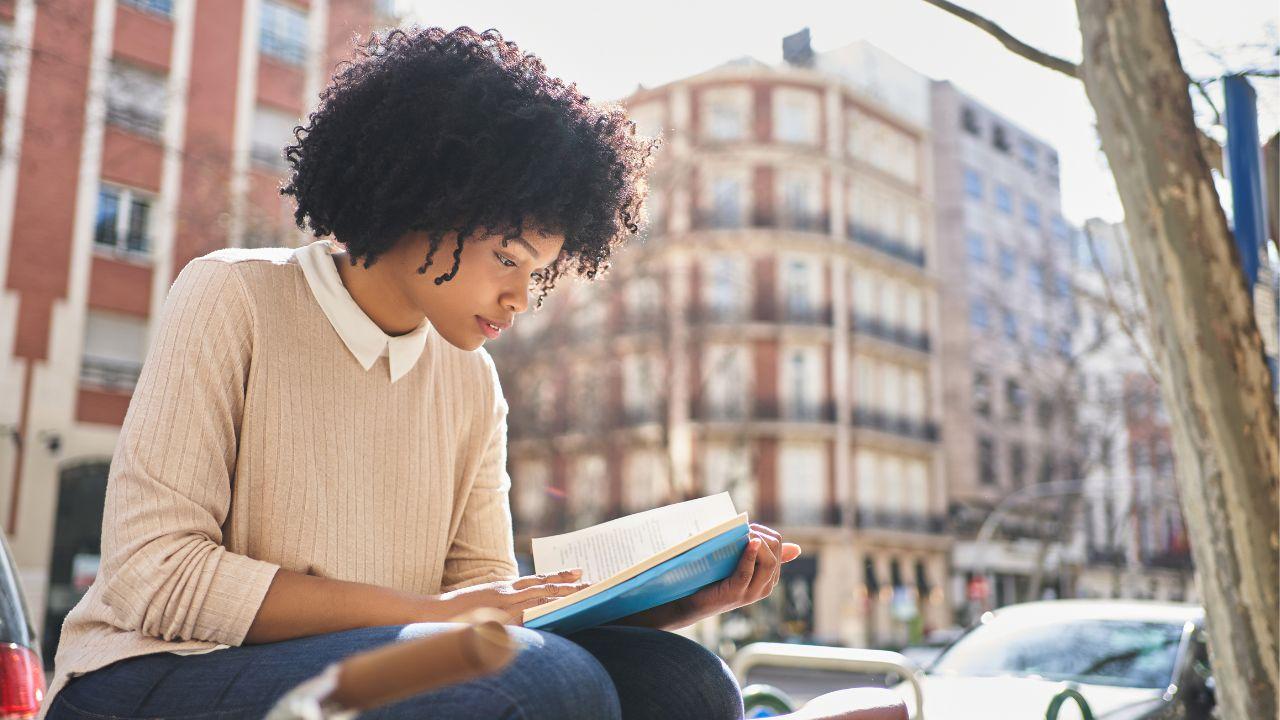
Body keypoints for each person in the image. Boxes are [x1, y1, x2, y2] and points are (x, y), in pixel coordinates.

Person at [41, 25, 800, 720]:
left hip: (350, 673)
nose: (521, 298)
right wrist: (439, 615)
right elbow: (158, 577)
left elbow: (495, 606)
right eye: (508, 257)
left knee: (686, 684)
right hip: (149, 677)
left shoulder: (472, 384)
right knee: (543, 680)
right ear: (424, 197)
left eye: (539, 275)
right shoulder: (233, 294)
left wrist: (678, 602)